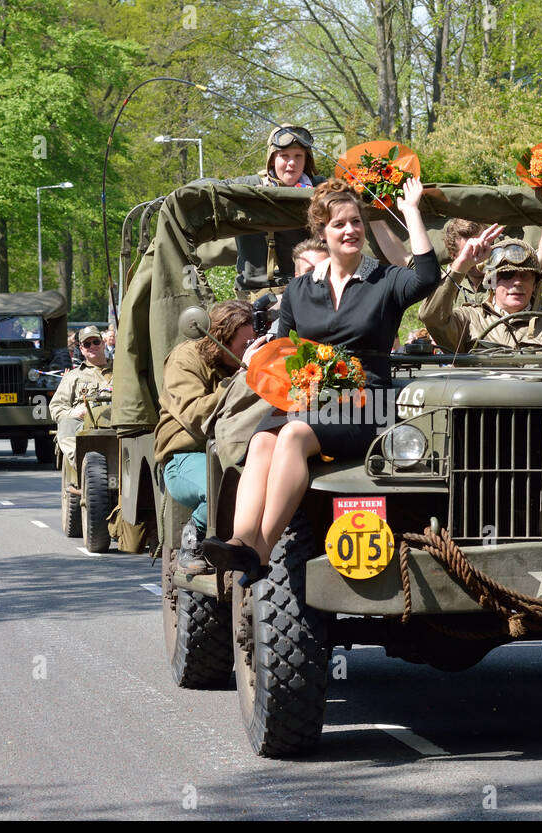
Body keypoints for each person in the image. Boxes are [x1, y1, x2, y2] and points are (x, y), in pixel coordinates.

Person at [204, 176, 439, 578]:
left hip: (367, 401)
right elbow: (286, 347)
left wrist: (411, 211)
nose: (350, 231)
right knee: (261, 439)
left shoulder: (384, 280)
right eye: (339, 224)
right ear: (321, 233)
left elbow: (427, 276)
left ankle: (260, 552)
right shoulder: (299, 288)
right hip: (308, 397)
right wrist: (265, 353)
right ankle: (240, 541)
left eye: (356, 223)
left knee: (293, 435)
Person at [155, 300, 257, 574]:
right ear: (221, 339)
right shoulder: (185, 360)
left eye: (254, 343)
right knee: (226, 489)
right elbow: (194, 415)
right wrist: (242, 380)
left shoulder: (245, 364)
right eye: (244, 345)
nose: (250, 350)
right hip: (188, 454)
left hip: (238, 450)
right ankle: (194, 538)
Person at [420, 237, 542, 353]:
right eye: (507, 275)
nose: (517, 282)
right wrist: (460, 266)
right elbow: (431, 316)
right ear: (491, 282)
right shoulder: (470, 319)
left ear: (534, 284)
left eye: (525, 275)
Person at [227, 125, 320, 297]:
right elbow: (212, 187)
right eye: (284, 156)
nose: (292, 163)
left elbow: (353, 193)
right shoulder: (249, 185)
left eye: (298, 156)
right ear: (272, 159)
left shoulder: (320, 188)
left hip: (305, 291)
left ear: (307, 160)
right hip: (254, 294)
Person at [50, 326, 113, 472]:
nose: (92, 346)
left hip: (119, 421)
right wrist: (73, 413)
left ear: (103, 343)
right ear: (82, 348)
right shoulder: (73, 376)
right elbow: (56, 407)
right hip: (85, 425)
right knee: (66, 424)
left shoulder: (121, 370)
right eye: (87, 344)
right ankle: (85, 467)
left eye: (96, 342)